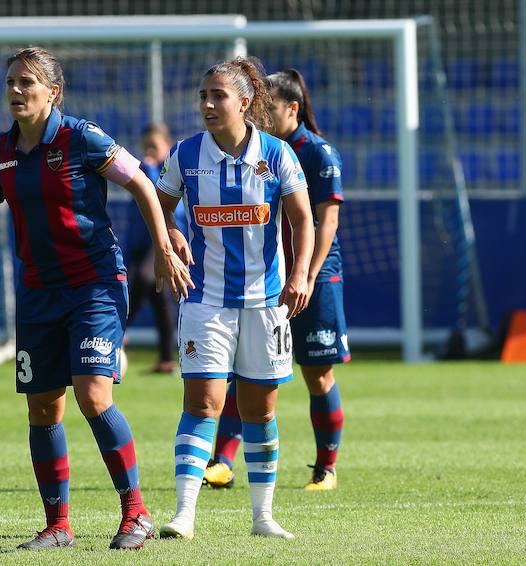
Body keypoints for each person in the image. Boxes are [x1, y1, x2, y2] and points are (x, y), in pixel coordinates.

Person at [0, 47, 192, 551]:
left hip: (95, 284)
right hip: (38, 292)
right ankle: (57, 526)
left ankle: (136, 514)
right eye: (10, 82)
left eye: (27, 82)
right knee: (43, 407)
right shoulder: (3, 147)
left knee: (93, 396)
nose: (15, 91)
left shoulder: (83, 137)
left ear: (53, 92)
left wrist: (165, 245)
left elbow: (144, 186)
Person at [156, 57, 314, 540]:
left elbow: (303, 219)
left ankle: (263, 517)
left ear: (244, 102)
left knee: (259, 411)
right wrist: (169, 238)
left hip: (266, 302)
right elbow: (158, 206)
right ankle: (184, 513)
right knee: (203, 402)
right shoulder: (184, 155)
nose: (206, 104)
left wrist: (302, 273)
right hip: (204, 300)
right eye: (203, 95)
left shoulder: (278, 154)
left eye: (217, 96)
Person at [203, 69, 350, 492]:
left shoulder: (318, 153)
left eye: (270, 108)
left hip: (313, 278)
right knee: (243, 368)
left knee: (317, 373)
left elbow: (327, 222)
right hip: (263, 277)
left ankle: (326, 467)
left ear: (292, 108)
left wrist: (307, 275)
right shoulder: (254, 150)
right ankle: (224, 462)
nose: (262, 116)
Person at [124, 122, 179, 373]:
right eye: (145, 146)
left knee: (145, 279)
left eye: (154, 147)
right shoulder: (141, 172)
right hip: (138, 244)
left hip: (160, 243)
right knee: (159, 299)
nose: (148, 151)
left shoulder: (166, 171)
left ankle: (118, 331)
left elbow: (163, 203)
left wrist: (148, 167)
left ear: (167, 147)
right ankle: (167, 359)